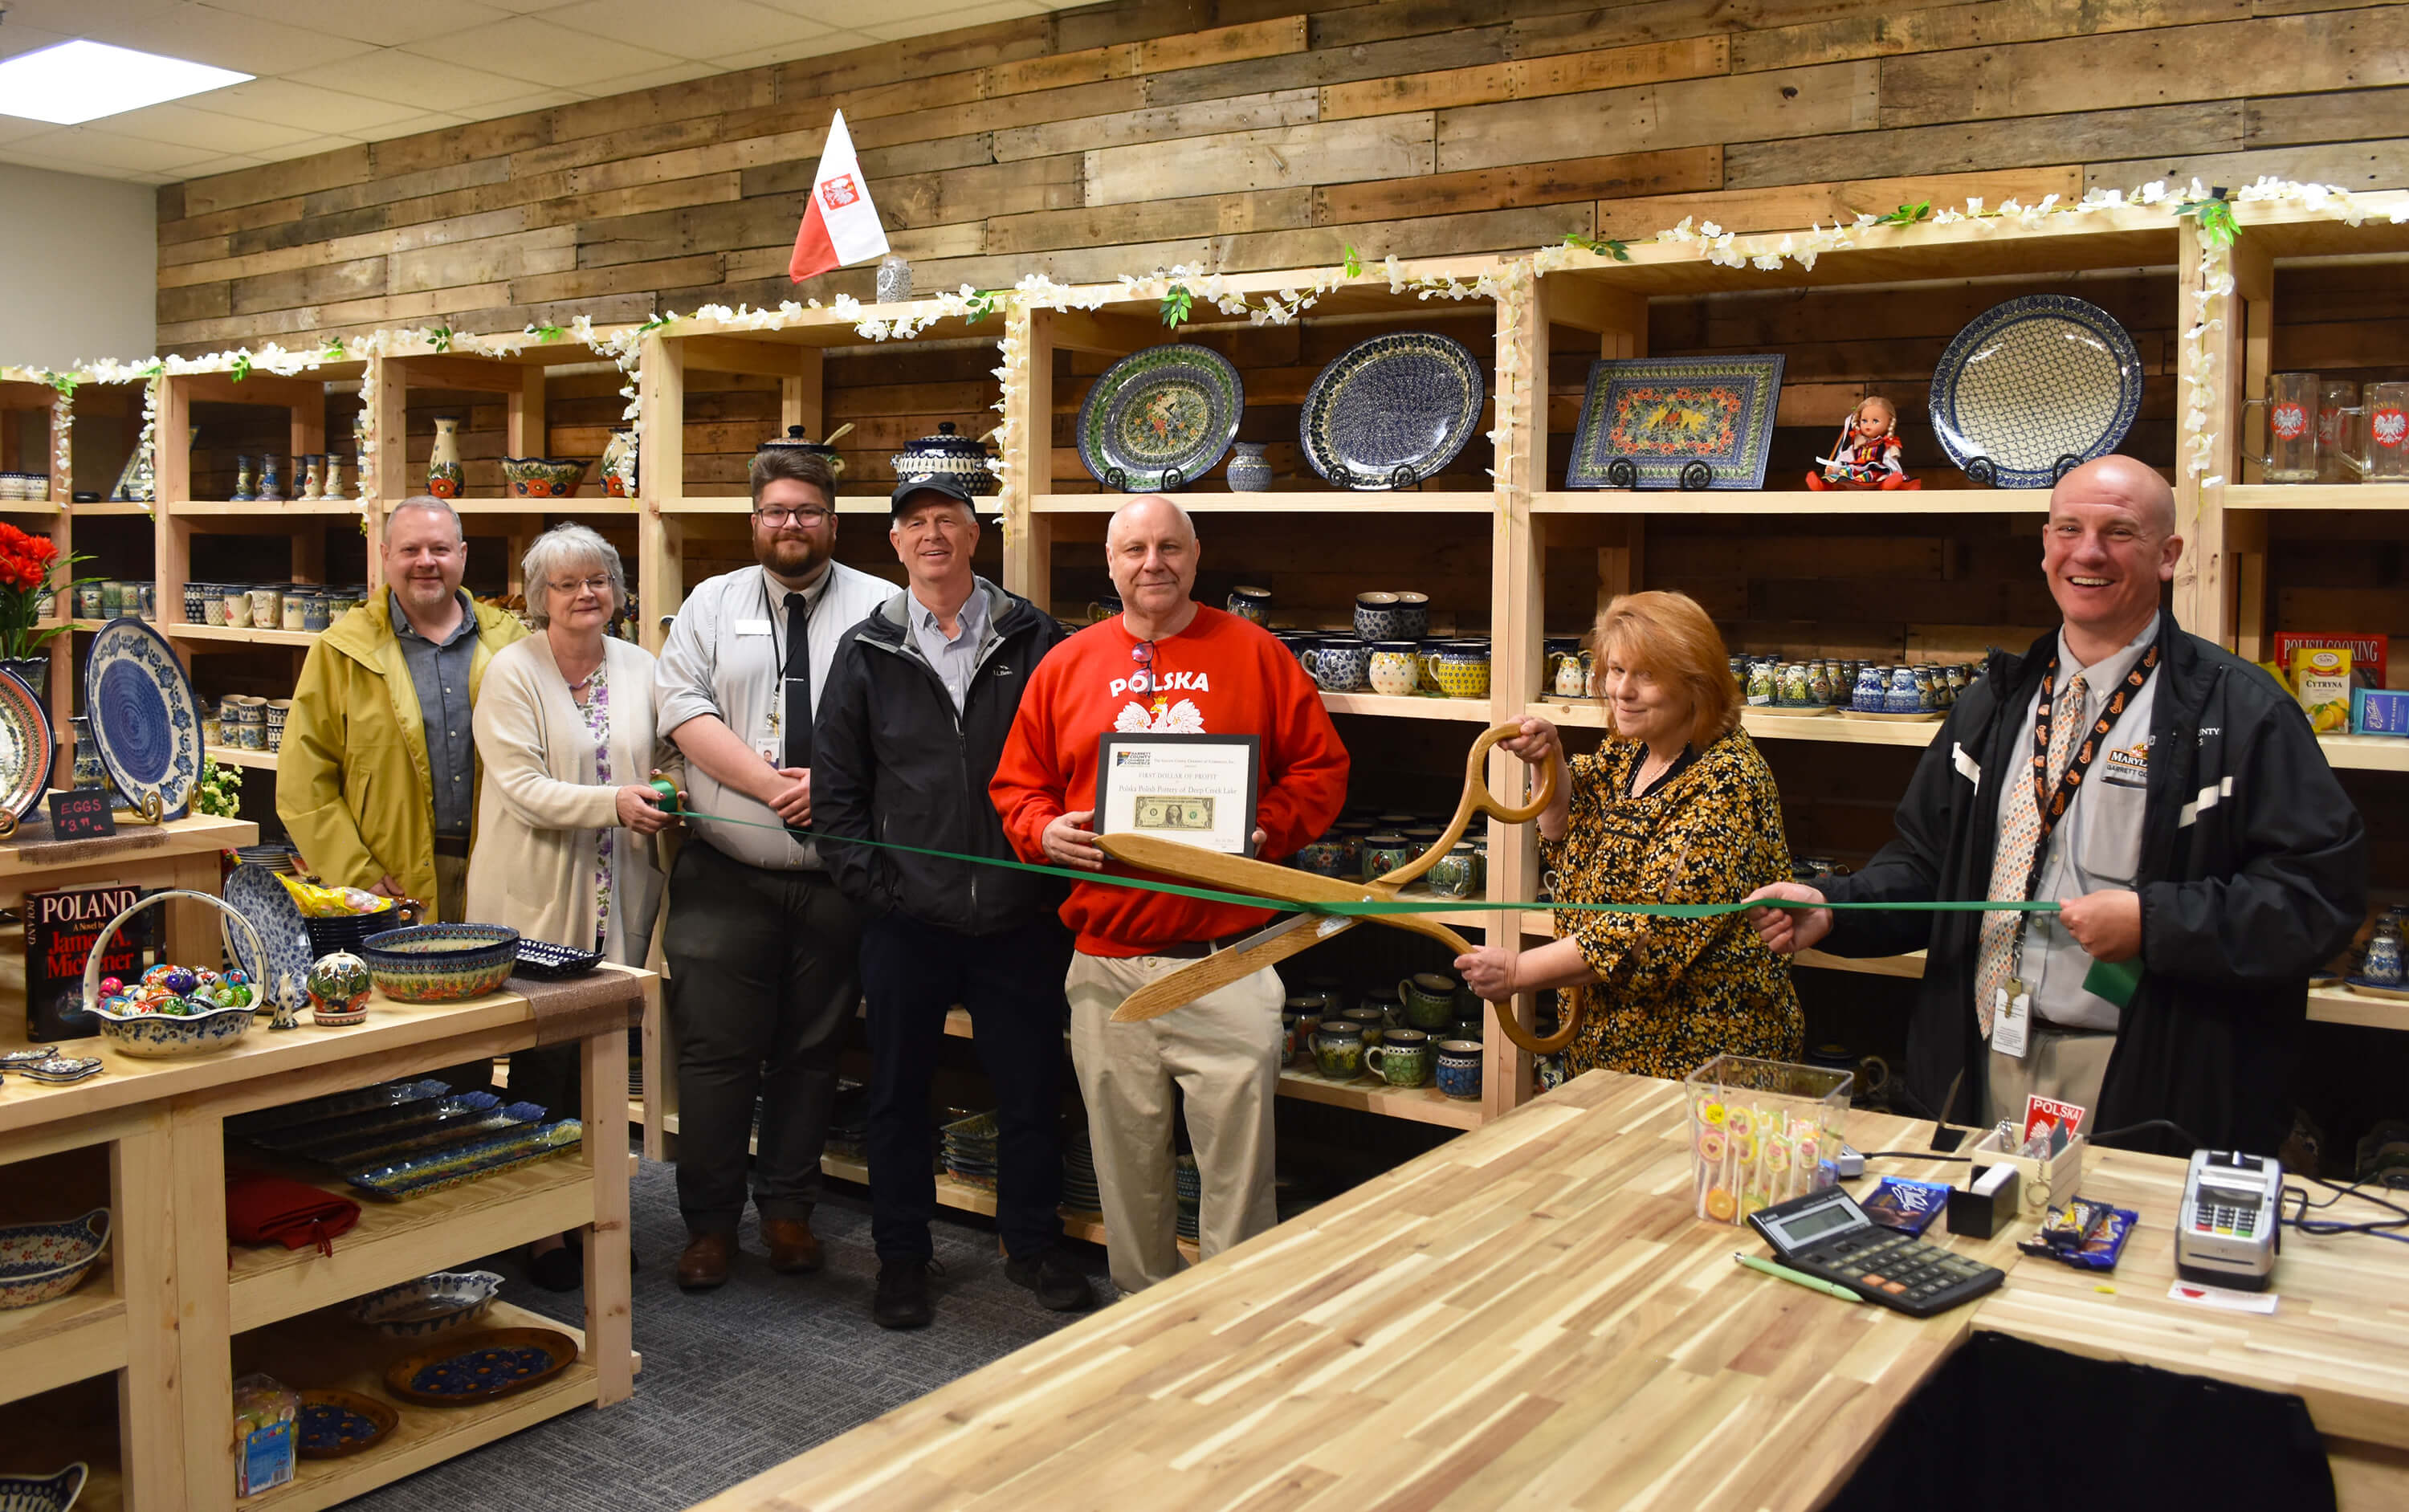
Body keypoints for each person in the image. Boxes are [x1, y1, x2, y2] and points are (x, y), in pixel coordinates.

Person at [1746, 456, 2366, 1153]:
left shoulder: (2242, 712)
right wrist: (1836, 907)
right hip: (1986, 1059)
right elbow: (1927, 866)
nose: (2088, 552)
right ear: (2046, 545)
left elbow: (2318, 898)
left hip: (2138, 1077)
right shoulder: (1995, 700)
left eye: (2119, 531)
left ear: (2168, 556)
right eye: (2069, 528)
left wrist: (2154, 923)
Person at [990, 495, 1348, 1294]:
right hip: (1105, 965)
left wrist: (1265, 830)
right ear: (1111, 563)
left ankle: (1234, 1330)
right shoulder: (1068, 664)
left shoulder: (1256, 654)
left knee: (1239, 1177)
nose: (1153, 562)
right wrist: (1044, 831)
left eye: (1169, 546)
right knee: (1125, 1171)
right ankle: (1140, 1320)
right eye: (1135, 548)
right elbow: (1018, 785)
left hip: (1228, 961)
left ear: (1195, 555)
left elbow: (1321, 769)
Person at [815, 474, 1081, 1330]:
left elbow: (1075, 762)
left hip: (1019, 914)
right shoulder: (865, 650)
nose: (932, 536)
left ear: (976, 536)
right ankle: (902, 1254)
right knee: (897, 1091)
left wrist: (1044, 879)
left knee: (1033, 1088)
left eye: (948, 521)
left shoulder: (1037, 636)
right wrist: (881, 891)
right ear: (894, 545)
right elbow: (837, 793)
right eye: (914, 524)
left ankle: (1032, 1241)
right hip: (906, 919)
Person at [653, 446, 892, 1290]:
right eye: (775, 511)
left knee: (813, 1051)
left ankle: (788, 1211)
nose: (791, 524)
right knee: (716, 1054)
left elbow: (903, 725)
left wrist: (831, 789)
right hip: (727, 870)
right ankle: (709, 1224)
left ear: (834, 519)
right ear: (753, 521)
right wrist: (772, 788)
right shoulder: (710, 603)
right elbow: (682, 708)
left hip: (839, 880)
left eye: (807, 510)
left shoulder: (883, 605)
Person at [1453, 590, 1800, 1078]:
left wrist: (1516, 973)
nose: (1622, 691)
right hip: (1610, 1059)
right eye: (1616, 670)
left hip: (1702, 1070)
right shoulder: (1634, 748)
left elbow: (1645, 933)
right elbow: (1561, 828)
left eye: (1647, 674)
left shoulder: (1728, 783)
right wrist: (1548, 758)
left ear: (1697, 684)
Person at [467, 524, 680, 1291]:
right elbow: (521, 788)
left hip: (616, 897)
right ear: (538, 599)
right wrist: (616, 802)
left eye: (598, 580)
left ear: (618, 592)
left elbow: (666, 756)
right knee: (539, 1071)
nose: (585, 594)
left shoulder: (640, 666)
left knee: (598, 1072)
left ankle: (599, 1210)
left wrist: (667, 788)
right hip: (534, 898)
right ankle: (539, 1228)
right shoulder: (509, 673)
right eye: (566, 585)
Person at [281, 495, 526, 1089]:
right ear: (385, 556)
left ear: (462, 556)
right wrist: (357, 873)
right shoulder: (341, 650)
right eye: (411, 549)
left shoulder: (510, 642)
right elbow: (302, 782)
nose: (426, 562)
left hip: (493, 868)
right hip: (389, 881)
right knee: (396, 1048)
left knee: (482, 1029)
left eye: (440, 549)